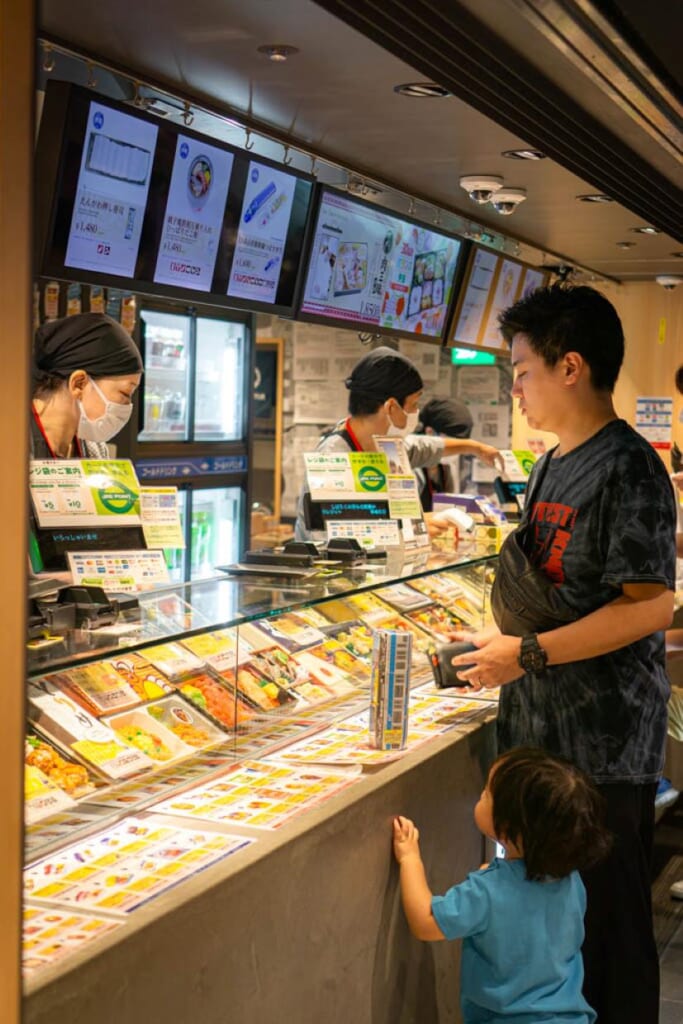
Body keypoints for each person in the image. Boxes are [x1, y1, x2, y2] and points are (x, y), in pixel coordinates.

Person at [448, 284, 676, 1024]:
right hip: (545, 741)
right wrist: (504, 644)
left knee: (607, 942)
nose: (513, 388)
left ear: (569, 366)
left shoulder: (627, 467)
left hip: (603, 751)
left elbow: (649, 606)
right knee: (557, 951)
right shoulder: (551, 462)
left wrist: (529, 654)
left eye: (521, 370)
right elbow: (555, 586)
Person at [393, 746, 612, 1024]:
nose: (481, 794)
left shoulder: (487, 892)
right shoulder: (571, 880)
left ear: (507, 826)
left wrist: (410, 858)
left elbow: (425, 921)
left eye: (487, 792)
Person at [294, 346, 502, 539]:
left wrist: (475, 447)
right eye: (413, 405)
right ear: (391, 407)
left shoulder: (387, 446)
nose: (415, 413)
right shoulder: (333, 458)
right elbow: (331, 538)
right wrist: (410, 529)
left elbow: (426, 448)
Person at [31, 311, 143, 460]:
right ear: (79, 383)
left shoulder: (94, 449)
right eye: (125, 393)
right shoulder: (12, 440)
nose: (128, 406)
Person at [413, 396, 474, 512]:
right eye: (454, 444)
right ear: (430, 432)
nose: (457, 452)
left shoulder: (446, 468)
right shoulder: (412, 467)